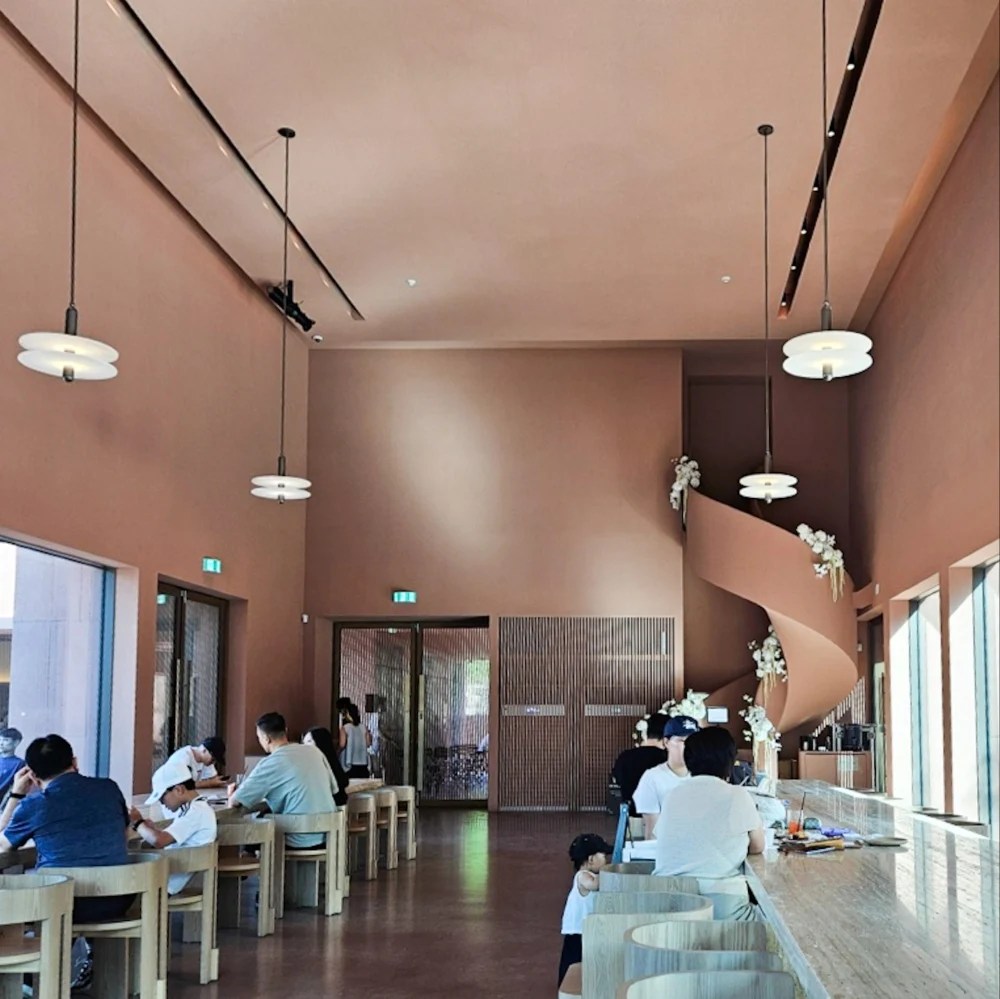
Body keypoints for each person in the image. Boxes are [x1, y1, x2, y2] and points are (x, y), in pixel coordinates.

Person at [653, 727, 764, 920]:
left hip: (668, 909)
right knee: (781, 929)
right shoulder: (736, 795)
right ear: (729, 761)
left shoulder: (672, 795)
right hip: (722, 910)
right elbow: (757, 846)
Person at [228, 712, 339, 848]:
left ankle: (263, 867)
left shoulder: (271, 762)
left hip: (298, 836)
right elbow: (334, 789)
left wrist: (232, 793)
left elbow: (235, 801)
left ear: (266, 738)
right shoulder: (315, 752)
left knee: (252, 836)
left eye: (259, 737)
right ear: (285, 731)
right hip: (328, 833)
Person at [129, 761, 218, 895]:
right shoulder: (197, 808)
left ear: (178, 790)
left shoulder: (195, 812)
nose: (162, 803)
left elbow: (159, 841)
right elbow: (169, 838)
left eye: (162, 798)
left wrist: (137, 822)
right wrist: (151, 829)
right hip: (175, 874)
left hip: (166, 883)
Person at [558, 834, 612, 987]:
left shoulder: (589, 874)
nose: (606, 860)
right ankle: (566, 987)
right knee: (573, 960)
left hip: (583, 930)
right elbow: (593, 885)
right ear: (590, 860)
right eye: (603, 856)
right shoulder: (583, 876)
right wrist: (610, 874)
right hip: (576, 930)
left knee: (577, 960)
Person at [632, 715, 699, 838]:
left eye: (694, 741)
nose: (690, 746)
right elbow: (652, 833)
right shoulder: (652, 778)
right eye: (683, 741)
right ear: (666, 742)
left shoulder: (702, 777)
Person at [612, 713, 668, 819]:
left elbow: (617, 780)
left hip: (631, 817)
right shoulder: (666, 759)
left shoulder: (625, 756)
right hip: (660, 818)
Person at [302, 726, 350, 806]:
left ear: (321, 742)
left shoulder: (327, 765)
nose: (305, 746)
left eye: (309, 741)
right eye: (304, 743)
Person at [339, 703, 371, 778]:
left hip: (349, 764)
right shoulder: (363, 727)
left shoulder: (345, 728)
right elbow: (368, 743)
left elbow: (342, 744)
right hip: (363, 763)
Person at [0, 726, 24, 798]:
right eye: (0, 740)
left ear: (16, 743)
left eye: (6, 740)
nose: (1, 743)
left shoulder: (19, 764)